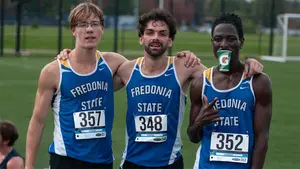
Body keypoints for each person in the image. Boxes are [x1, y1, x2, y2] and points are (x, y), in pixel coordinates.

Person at [57, 9, 263, 169]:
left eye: (163, 33)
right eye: (150, 32)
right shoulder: (127, 70)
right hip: (132, 163)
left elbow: (221, 76)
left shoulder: (184, 67)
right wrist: (69, 54)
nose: (156, 37)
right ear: (141, 38)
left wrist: (248, 63)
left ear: (170, 40)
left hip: (169, 163)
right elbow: (91, 79)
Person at [25, 2, 200, 169]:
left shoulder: (114, 64)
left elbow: (149, 69)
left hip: (103, 160)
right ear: (73, 30)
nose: (89, 30)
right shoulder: (54, 71)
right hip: (66, 159)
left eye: (94, 24)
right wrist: (29, 165)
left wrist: (185, 56)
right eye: (83, 24)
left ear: (102, 29)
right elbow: (38, 121)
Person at [187, 13, 272, 169]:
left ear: (241, 42)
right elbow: (193, 137)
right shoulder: (200, 84)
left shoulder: (258, 82)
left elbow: (262, 138)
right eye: (218, 39)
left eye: (231, 39)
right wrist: (199, 122)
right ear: (212, 43)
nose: (224, 44)